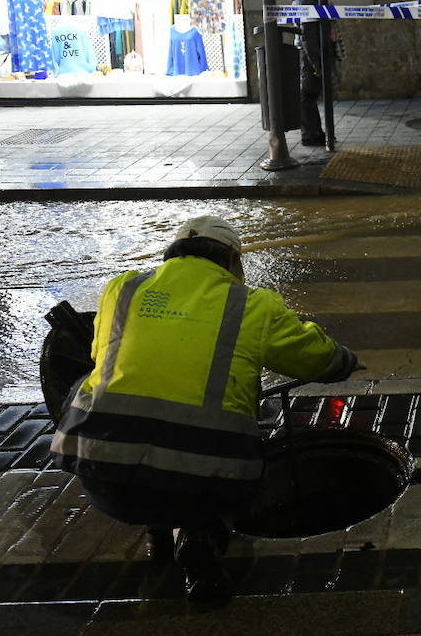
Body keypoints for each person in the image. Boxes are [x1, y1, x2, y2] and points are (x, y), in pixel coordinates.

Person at [51, 215, 359, 605]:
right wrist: (345, 361)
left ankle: (158, 533)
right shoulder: (251, 304)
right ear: (232, 262)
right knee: (225, 422)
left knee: (108, 389)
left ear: (171, 256)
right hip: (206, 489)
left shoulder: (123, 289)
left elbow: (101, 355)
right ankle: (200, 536)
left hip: (105, 482)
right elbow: (317, 360)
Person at [287, 0, 325, 147]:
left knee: (309, 96)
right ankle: (311, 134)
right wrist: (317, 64)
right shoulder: (308, 1)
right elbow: (308, 37)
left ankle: (314, 132)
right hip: (309, 53)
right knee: (308, 95)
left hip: (307, 52)